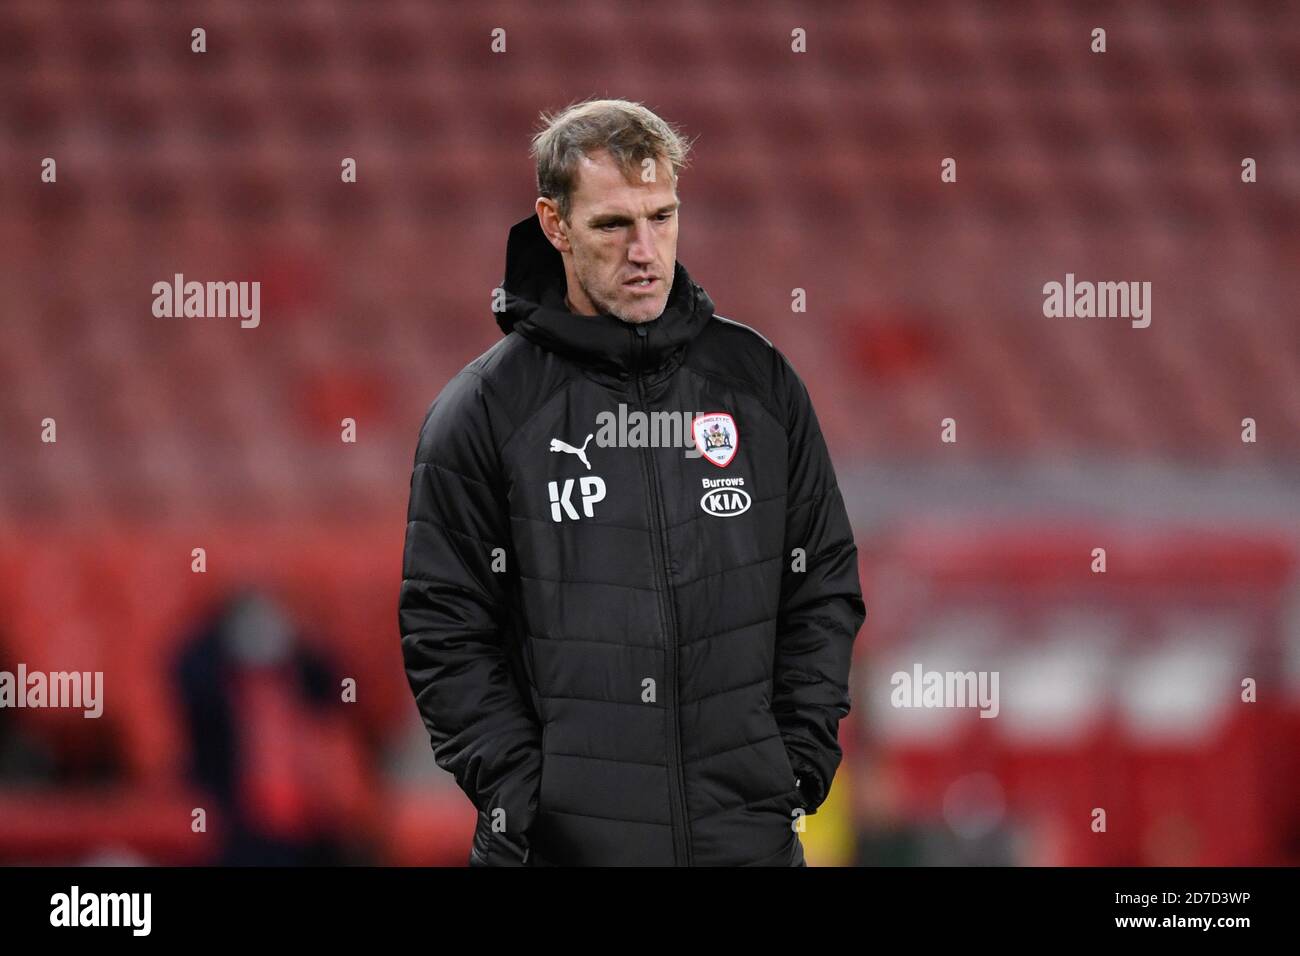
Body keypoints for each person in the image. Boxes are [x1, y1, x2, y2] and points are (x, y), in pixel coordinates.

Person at [399, 98, 865, 866]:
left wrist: (796, 763)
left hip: (745, 844)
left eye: (662, 216)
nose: (645, 250)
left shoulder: (759, 384)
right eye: (613, 225)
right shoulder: (483, 412)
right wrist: (527, 798)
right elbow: (444, 631)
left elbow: (821, 582)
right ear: (554, 225)